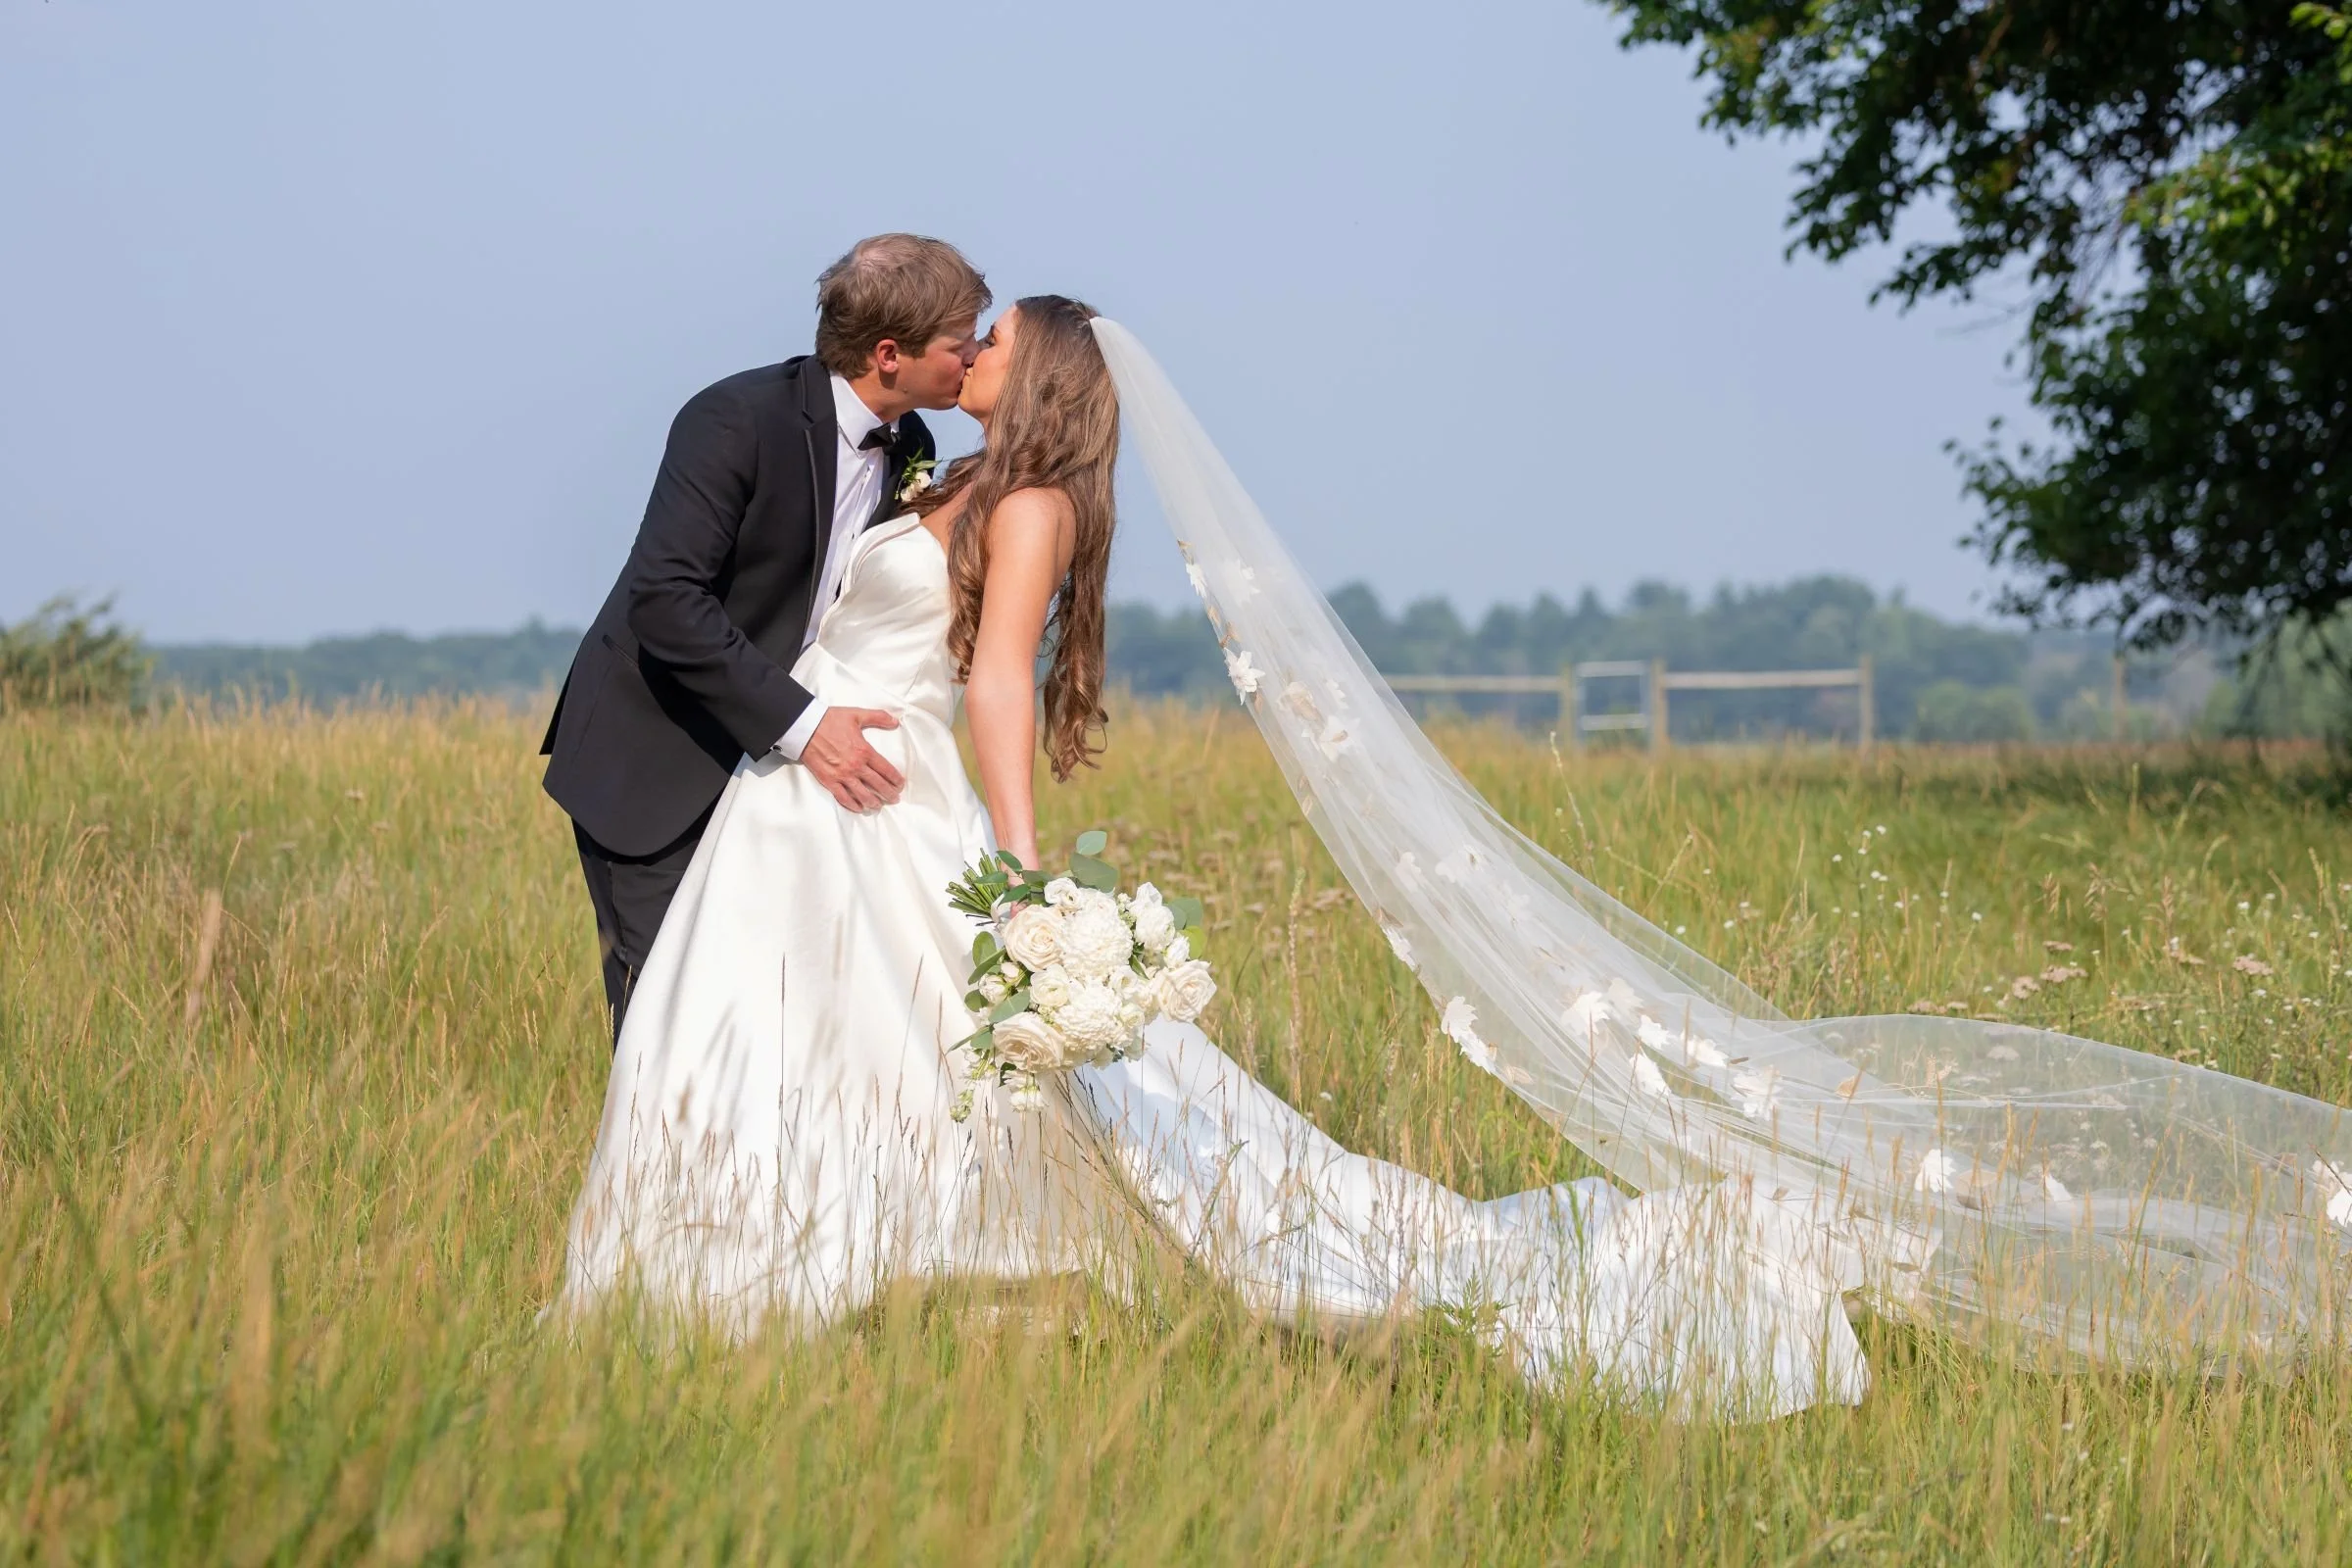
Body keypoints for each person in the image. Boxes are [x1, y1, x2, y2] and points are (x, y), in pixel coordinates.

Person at [558, 299, 1890, 1420]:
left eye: (996, 339)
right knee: (801, 1035)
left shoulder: (1032, 504)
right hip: (800, 795)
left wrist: (1017, 869)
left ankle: (846, 1280)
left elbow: (999, 681)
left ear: (1045, 374)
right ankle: (751, 1278)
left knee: (934, 1047)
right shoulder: (941, 470)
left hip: (890, 793)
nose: (973, 351)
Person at [541, 233, 986, 1038]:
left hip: (782, 789)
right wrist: (806, 726)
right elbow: (665, 600)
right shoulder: (734, 419)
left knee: (776, 1016)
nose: (976, 356)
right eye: (962, 343)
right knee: (671, 1020)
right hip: (658, 761)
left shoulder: (914, 446)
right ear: (890, 355)